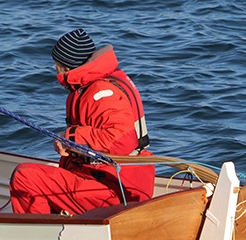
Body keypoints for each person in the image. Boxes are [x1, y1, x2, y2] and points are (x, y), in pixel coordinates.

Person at [9, 28, 155, 215]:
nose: (55, 70)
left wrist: (71, 137)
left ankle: (39, 235)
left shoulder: (102, 92)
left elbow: (120, 141)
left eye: (57, 65)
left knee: (25, 177)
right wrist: (69, 145)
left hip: (116, 191)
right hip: (106, 181)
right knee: (51, 172)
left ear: (68, 67)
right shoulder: (95, 85)